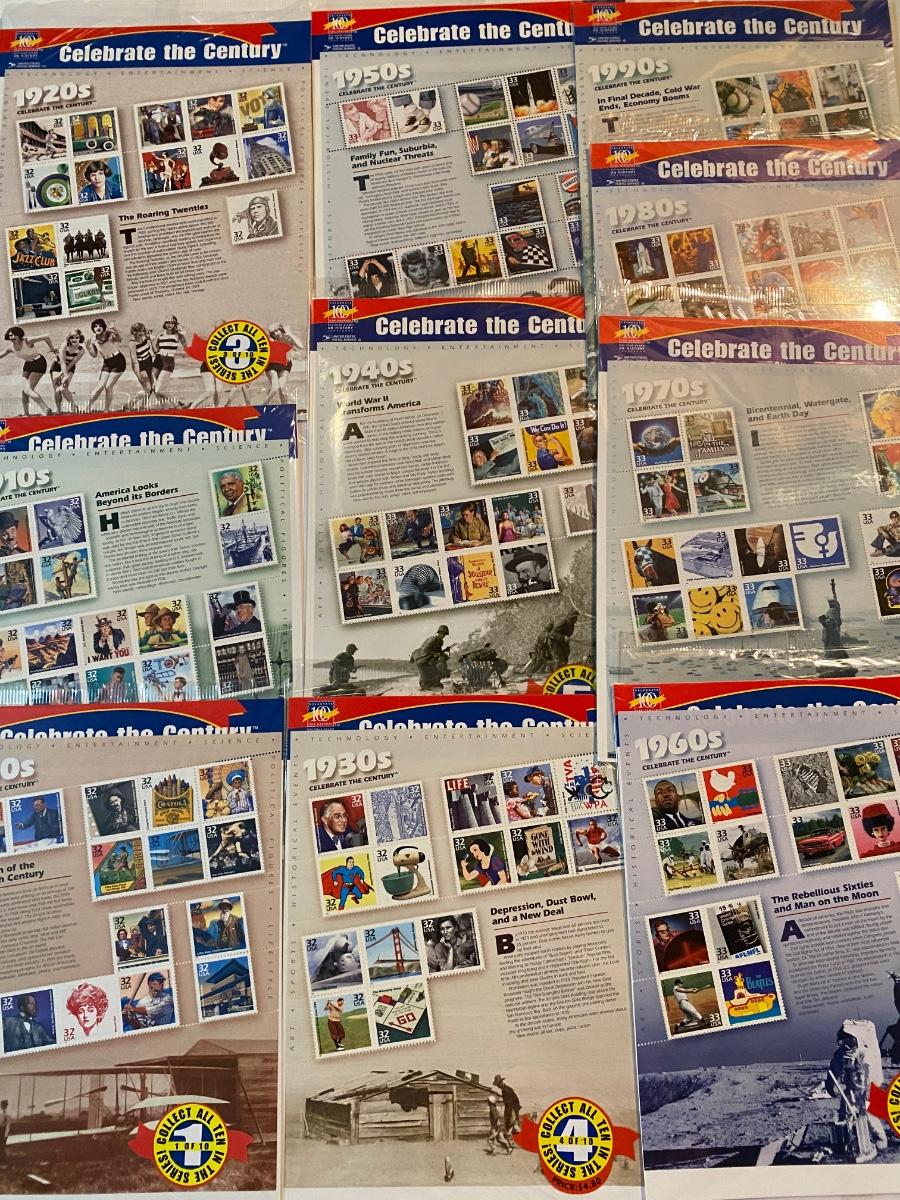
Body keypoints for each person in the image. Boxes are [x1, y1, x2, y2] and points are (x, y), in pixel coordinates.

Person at [0, 326, 57, 414]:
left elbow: (46, 337)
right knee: (24, 391)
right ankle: (26, 414)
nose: (11, 337)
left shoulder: (28, 341)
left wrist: (52, 349)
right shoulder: (11, 348)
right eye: (10, 335)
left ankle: (46, 409)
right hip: (28, 364)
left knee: (28, 390)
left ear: (19, 335)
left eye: (14, 335)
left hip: (39, 362)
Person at [86, 318, 126, 412]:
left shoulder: (109, 334)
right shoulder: (93, 340)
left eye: (100, 325)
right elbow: (94, 355)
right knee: (100, 386)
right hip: (107, 362)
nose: (98, 327)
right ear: (93, 329)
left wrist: (114, 328)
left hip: (118, 361)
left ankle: (106, 410)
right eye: (95, 326)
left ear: (103, 327)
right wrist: (89, 349)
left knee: (108, 386)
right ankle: (87, 407)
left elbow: (120, 338)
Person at [412, 625, 451, 691]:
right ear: (438, 632)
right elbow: (425, 649)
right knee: (424, 679)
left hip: (430, 660)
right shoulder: (432, 639)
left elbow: (439, 652)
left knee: (439, 669)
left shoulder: (441, 641)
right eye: (441, 633)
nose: (443, 635)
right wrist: (436, 654)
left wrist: (445, 650)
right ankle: (425, 686)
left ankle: (433, 683)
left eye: (444, 634)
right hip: (422, 660)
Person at [493, 1075, 521, 1142]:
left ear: (501, 1083)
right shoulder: (505, 1089)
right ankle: (510, 1140)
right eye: (497, 1085)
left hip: (512, 1108)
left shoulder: (506, 1090)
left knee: (510, 1124)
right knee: (511, 1125)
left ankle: (510, 1141)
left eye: (498, 1085)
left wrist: (508, 1114)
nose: (498, 1086)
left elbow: (509, 1104)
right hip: (513, 1108)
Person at [0, 1099, 11, 1163]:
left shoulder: (8, 1114)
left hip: (3, 1131)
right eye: (2, 1105)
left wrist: (6, 1135)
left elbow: (8, 1126)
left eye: (5, 1105)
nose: (3, 1106)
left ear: (6, 1106)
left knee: (2, 1146)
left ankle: (3, 1160)